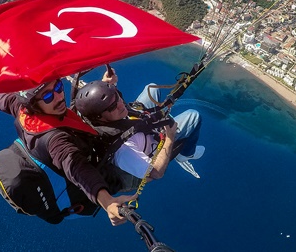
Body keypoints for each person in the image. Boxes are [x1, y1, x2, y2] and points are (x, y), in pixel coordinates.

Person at [0, 79, 134, 226]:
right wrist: (107, 201)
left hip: (82, 148)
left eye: (58, 86)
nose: (59, 96)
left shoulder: (22, 108)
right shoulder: (56, 141)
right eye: (48, 96)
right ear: (33, 104)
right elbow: (77, 168)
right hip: (91, 183)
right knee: (155, 169)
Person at [73, 70, 205, 188]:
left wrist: (106, 85)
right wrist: (169, 138)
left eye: (117, 97)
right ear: (100, 117)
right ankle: (185, 155)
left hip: (136, 123)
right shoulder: (123, 150)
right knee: (193, 116)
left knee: (151, 88)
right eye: (112, 107)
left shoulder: (98, 116)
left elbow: (109, 103)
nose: (120, 105)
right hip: (151, 142)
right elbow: (156, 173)